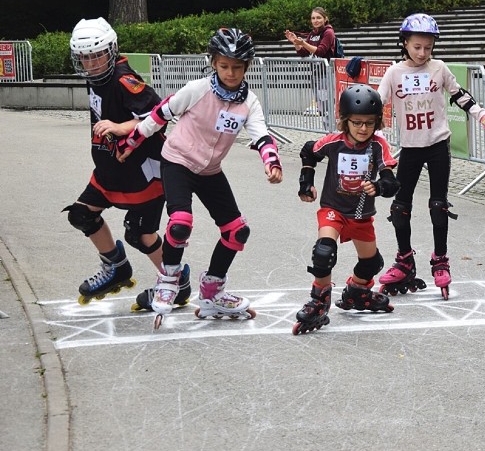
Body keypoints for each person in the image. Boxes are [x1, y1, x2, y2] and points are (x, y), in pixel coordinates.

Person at [118, 28, 283, 329]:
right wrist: (131, 142)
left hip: (209, 171)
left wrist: (271, 162)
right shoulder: (197, 89)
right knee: (180, 222)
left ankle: (212, 290)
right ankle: (169, 278)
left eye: (237, 67)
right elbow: (159, 114)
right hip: (178, 162)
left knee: (237, 232)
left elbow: (261, 135)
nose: (230, 72)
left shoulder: (250, 103)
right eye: (224, 66)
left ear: (247, 67)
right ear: (213, 63)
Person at [64, 17, 192, 310]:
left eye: (97, 55)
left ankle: (177, 284)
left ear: (111, 51)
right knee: (82, 215)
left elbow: (159, 115)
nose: (92, 63)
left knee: (140, 233)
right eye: (85, 58)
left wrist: (122, 128)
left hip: (143, 172)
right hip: (111, 169)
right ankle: (117, 268)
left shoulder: (124, 79)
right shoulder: (94, 78)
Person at [376, 13, 485, 300]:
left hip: (437, 146)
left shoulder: (439, 68)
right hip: (410, 148)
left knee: (438, 205)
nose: (422, 53)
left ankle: (440, 260)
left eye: (428, 48)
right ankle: (404, 259)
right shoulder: (394, 73)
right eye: (417, 46)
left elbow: (462, 97)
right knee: (399, 207)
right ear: (404, 43)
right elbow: (376, 102)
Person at [292, 84, 399, 334]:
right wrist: (306, 181)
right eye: (357, 123)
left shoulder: (378, 145)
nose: (363, 129)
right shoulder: (334, 142)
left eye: (369, 123)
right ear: (345, 121)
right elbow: (309, 151)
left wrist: (380, 186)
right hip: (334, 209)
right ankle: (319, 301)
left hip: (361, 214)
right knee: (323, 251)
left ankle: (357, 292)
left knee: (372, 263)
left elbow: (390, 179)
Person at [284, 7, 337, 117]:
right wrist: (295, 43)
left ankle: (331, 130)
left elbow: (321, 51)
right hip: (316, 74)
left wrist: (303, 43)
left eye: (318, 18)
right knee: (321, 105)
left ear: (325, 19)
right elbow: (303, 53)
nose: (315, 20)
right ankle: (327, 130)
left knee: (328, 105)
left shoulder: (328, 32)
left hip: (327, 74)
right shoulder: (312, 34)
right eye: (313, 18)